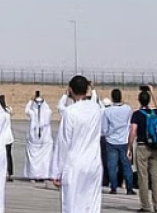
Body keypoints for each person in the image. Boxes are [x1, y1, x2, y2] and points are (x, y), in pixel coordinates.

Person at [51, 76, 103, 213]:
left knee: (72, 204)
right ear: (87, 89)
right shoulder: (96, 109)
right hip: (93, 163)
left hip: (75, 163)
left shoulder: (70, 112)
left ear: (70, 90)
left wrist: (57, 171)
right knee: (91, 203)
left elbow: (64, 143)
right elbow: (96, 102)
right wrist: (92, 90)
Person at [128, 89, 157, 213]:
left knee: (143, 176)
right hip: (155, 146)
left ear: (139, 100)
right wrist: (152, 91)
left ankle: (146, 206)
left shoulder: (137, 114)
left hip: (142, 146)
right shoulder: (155, 112)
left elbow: (133, 131)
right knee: (155, 176)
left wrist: (129, 146)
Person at [101, 88, 135, 195]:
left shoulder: (107, 111)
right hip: (124, 140)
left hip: (111, 140)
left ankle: (114, 187)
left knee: (112, 165)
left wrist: (107, 134)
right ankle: (129, 188)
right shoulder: (127, 109)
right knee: (126, 165)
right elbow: (129, 123)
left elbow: (104, 128)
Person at [24, 92, 53, 181]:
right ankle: (43, 175)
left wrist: (30, 100)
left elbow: (26, 110)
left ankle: (33, 175)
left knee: (34, 158)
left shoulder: (32, 113)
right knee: (44, 158)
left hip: (35, 140)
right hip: (44, 140)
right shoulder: (48, 112)